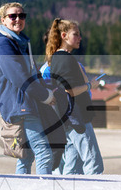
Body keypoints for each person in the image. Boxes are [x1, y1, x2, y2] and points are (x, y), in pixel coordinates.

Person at [0, 2, 60, 175]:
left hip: (24, 104)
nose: (18, 19)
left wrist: (47, 88)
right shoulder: (3, 44)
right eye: (13, 16)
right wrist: (45, 95)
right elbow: (19, 77)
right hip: (21, 107)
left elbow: (31, 73)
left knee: (26, 157)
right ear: (3, 20)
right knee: (44, 153)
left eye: (22, 15)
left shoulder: (18, 42)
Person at [44, 18, 104, 175]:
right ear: (64, 35)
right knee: (94, 163)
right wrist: (90, 85)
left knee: (73, 167)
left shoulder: (58, 58)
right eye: (75, 34)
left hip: (69, 119)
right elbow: (69, 90)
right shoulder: (65, 58)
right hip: (77, 118)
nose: (80, 38)